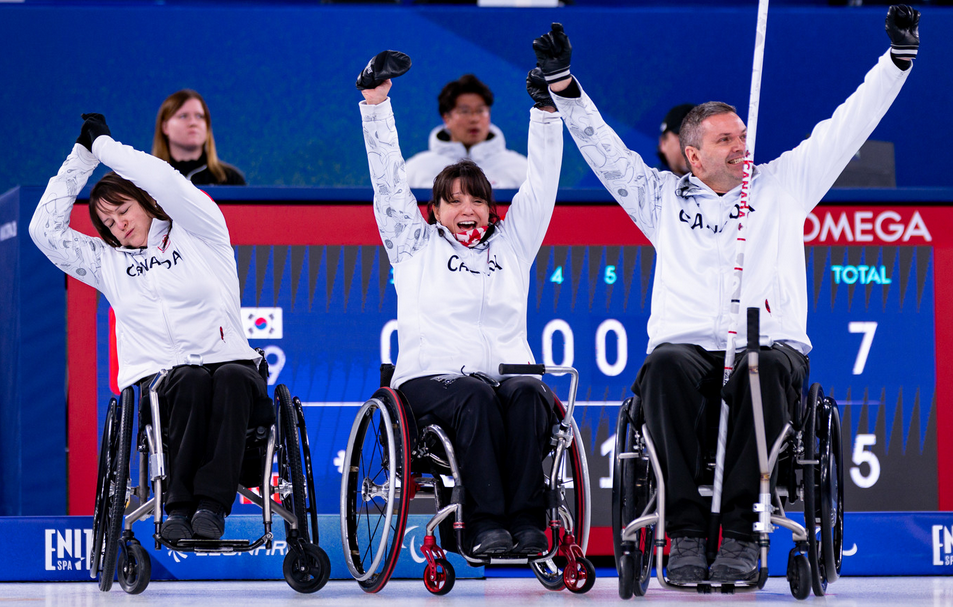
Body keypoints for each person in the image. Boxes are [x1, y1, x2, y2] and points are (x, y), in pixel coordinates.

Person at [533, 5, 917, 584]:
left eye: (742, 135)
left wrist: (897, 61)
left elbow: (848, 125)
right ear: (693, 156)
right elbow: (604, 151)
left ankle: (740, 534)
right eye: (725, 139)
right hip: (688, 350)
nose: (741, 146)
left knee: (761, 369)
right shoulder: (661, 200)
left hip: (768, 347)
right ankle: (686, 535)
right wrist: (565, 87)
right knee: (663, 365)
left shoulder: (784, 185)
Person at [356, 52, 563, 556]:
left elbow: (542, 187)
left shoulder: (513, 245)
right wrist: (376, 105)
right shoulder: (413, 244)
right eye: (454, 200)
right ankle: (483, 524)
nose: (468, 208)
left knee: (529, 393)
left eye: (478, 200)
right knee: (475, 395)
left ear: (492, 208)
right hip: (432, 382)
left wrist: (546, 113)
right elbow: (387, 182)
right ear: (434, 210)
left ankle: (528, 523)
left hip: (503, 378)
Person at [30, 113, 267, 542]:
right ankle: (177, 508)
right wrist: (81, 159)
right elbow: (43, 230)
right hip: (161, 381)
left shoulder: (199, 230)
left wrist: (104, 147)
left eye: (123, 209)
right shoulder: (106, 262)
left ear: (146, 201)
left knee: (232, 377)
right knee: (189, 379)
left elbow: (166, 181)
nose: (118, 224)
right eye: (107, 222)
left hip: (231, 362)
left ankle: (211, 507)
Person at [404, 74, 529, 190]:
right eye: (465, 111)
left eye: (480, 111)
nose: (474, 119)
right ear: (446, 118)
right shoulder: (415, 170)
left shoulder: (520, 168)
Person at [152, 89, 246, 185]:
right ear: (165, 127)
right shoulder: (149, 179)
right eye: (183, 116)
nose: (193, 123)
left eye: (199, 116)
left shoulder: (230, 179)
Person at [657, 103, 695, 176]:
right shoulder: (647, 182)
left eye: (697, 137)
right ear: (663, 143)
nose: (692, 144)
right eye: (683, 137)